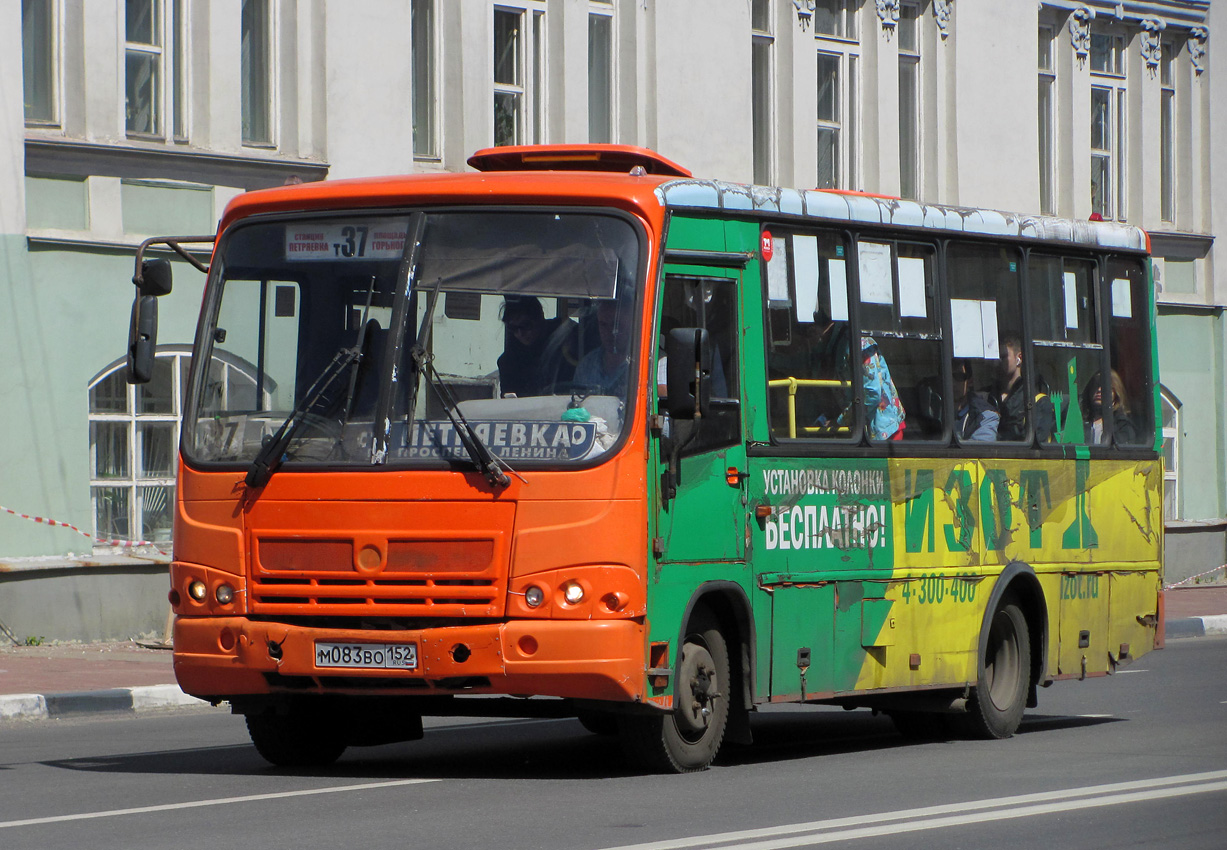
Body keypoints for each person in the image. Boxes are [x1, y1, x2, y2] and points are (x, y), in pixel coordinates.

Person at [497, 296, 576, 396]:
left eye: (526, 325)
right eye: (514, 328)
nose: (520, 333)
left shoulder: (564, 336)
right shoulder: (508, 361)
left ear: (540, 317)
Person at [995, 335, 1054, 442]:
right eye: (996, 357)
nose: (998, 362)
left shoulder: (1037, 401)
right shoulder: (989, 395)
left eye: (1003, 356)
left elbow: (1034, 443)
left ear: (1019, 358)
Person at [573, 300, 631, 397]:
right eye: (603, 325)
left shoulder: (643, 364)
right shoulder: (587, 365)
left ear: (630, 325)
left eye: (616, 325)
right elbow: (576, 402)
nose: (610, 332)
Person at [1084, 370, 1137, 444]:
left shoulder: (1122, 426)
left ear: (1116, 393)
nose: (1099, 390)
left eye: (1105, 387)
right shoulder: (1080, 421)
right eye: (1095, 385)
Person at [952, 358, 998, 441]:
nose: (952, 382)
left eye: (959, 376)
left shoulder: (985, 415)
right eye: (946, 376)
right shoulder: (933, 410)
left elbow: (980, 451)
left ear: (970, 381)